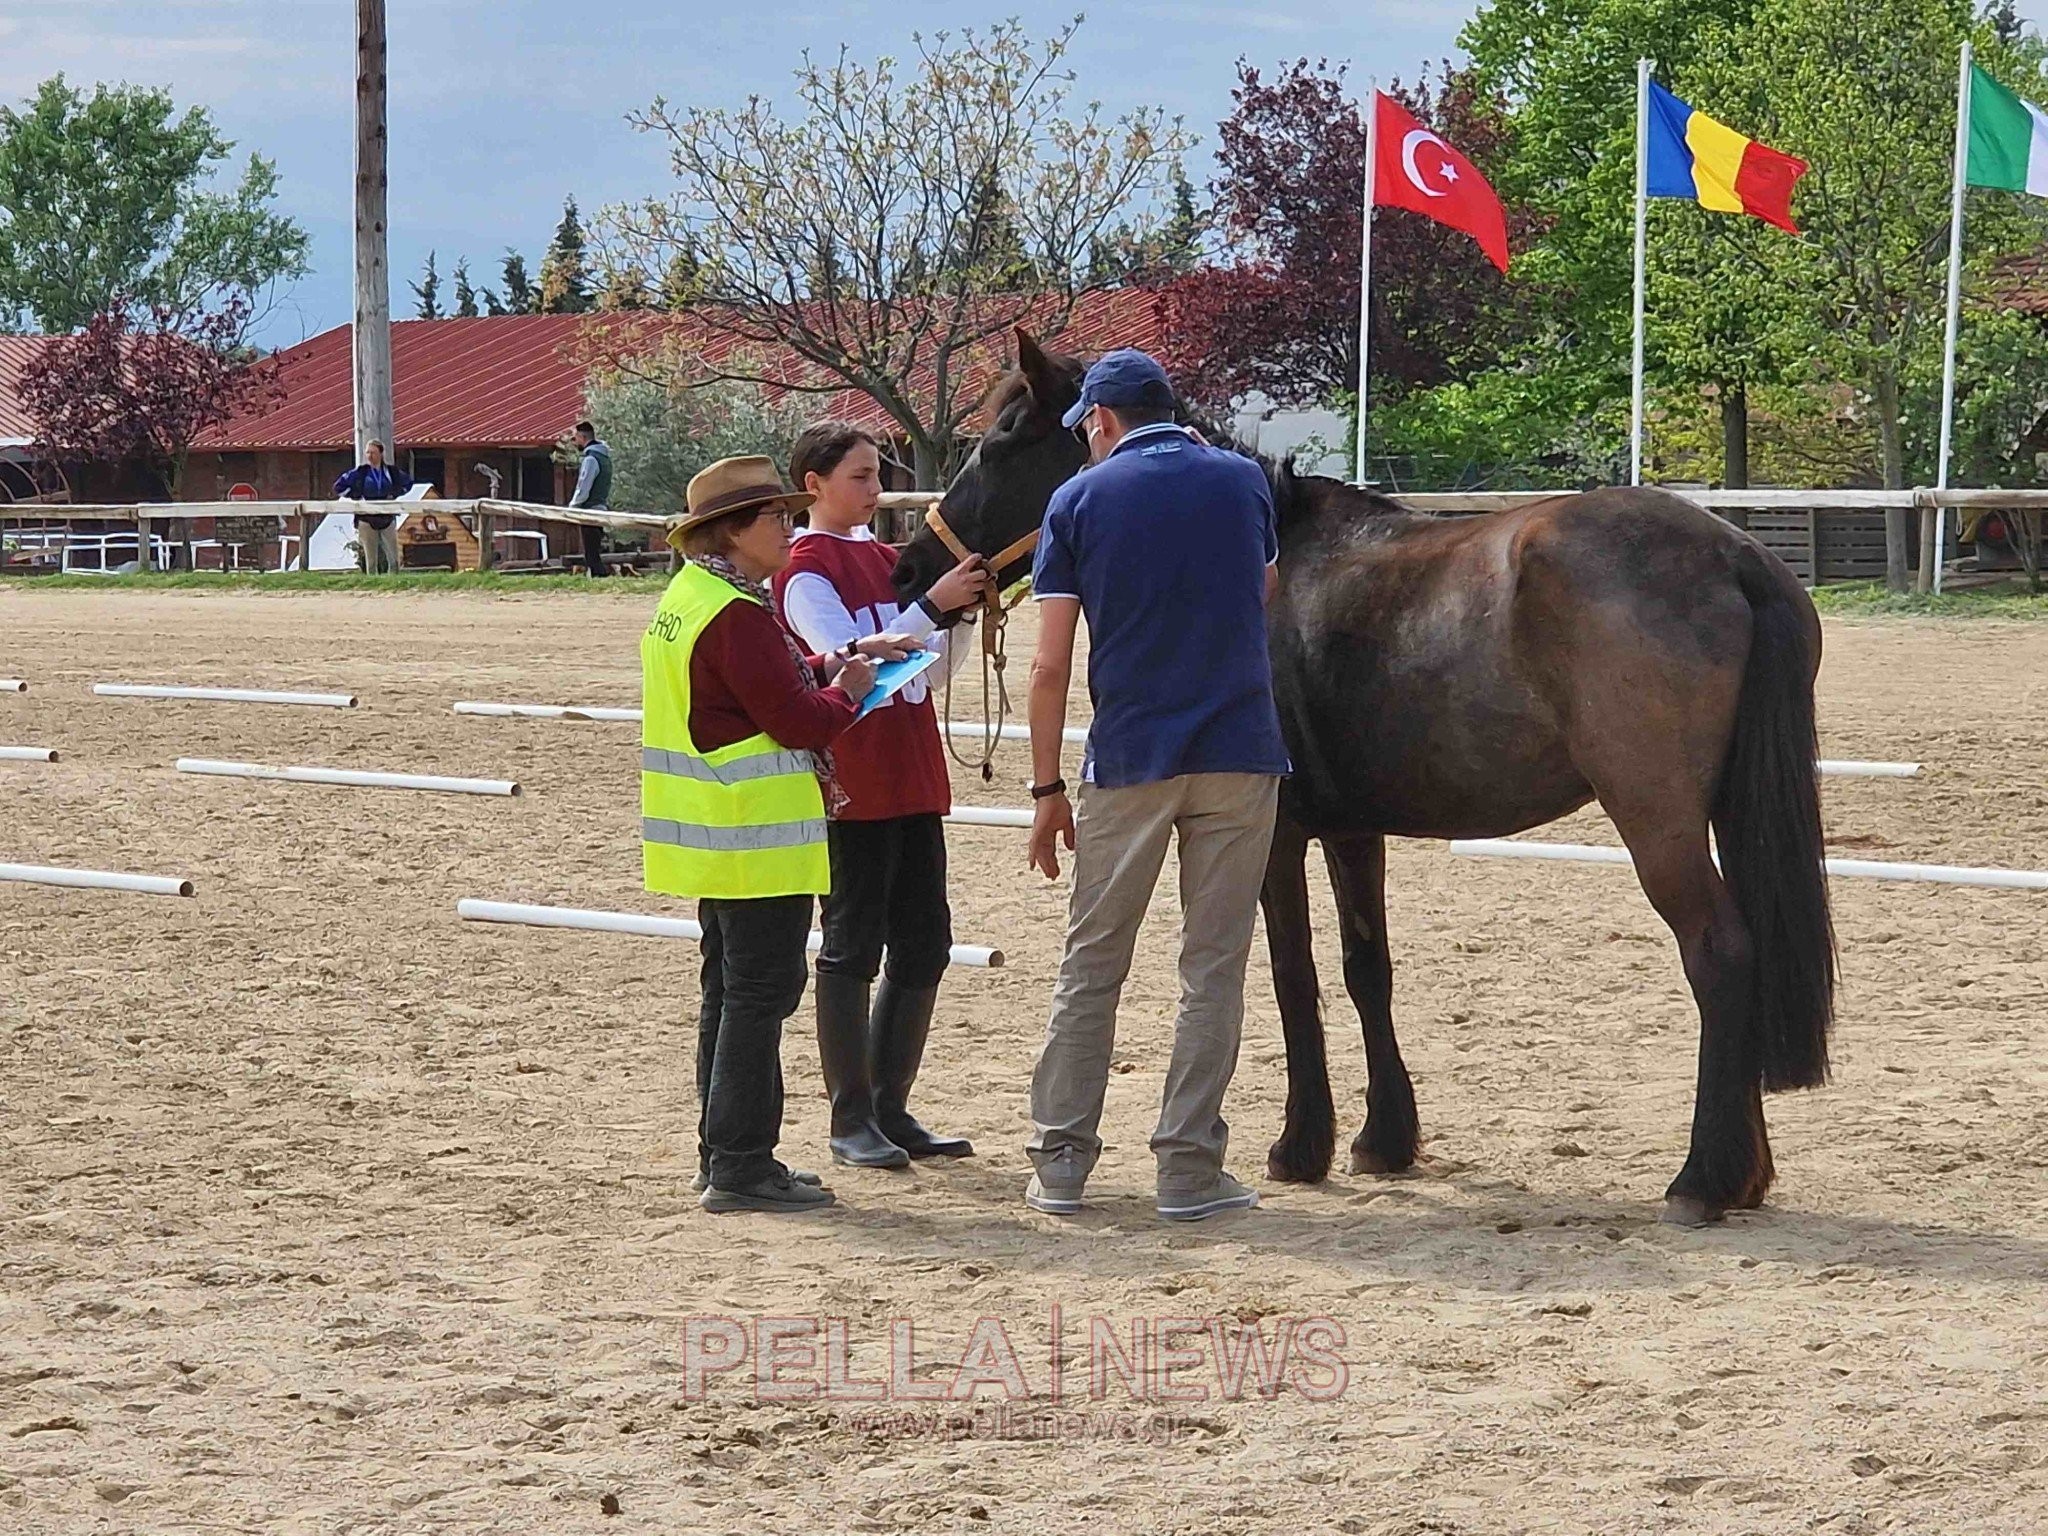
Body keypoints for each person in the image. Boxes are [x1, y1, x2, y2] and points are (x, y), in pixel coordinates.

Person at [1021, 349, 1290, 1223]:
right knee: (1213, 968)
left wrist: (1044, 786)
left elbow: (1051, 663)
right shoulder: (1245, 481)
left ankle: (1062, 1158)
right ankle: (1187, 1165)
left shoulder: (1077, 500)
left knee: (1093, 964)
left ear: (1100, 419)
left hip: (1132, 756)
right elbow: (1263, 594)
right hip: (1240, 748)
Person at [643, 454, 908, 1214]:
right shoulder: (735, 614)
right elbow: (795, 716)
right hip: (756, 834)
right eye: (773, 518)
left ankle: (723, 1152)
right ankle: (741, 1162)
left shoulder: (695, 598)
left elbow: (766, 684)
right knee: (759, 995)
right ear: (730, 530)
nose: (788, 529)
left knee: (728, 992)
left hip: (713, 832)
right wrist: (852, 689)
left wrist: (839, 659)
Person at [771, 422, 993, 1168]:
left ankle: (891, 1106)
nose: (875, 488)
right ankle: (849, 1115)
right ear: (816, 484)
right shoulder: (803, 570)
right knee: (852, 943)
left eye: (877, 475)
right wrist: (933, 605)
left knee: (925, 942)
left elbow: (926, 674)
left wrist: (959, 619)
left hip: (912, 769)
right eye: (861, 476)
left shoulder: (890, 558)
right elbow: (854, 667)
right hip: (852, 776)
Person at [332, 439, 412, 575]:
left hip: (387, 516)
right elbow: (338, 486)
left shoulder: (391, 472)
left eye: (373, 453)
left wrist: (395, 494)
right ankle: (372, 582)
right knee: (371, 558)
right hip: (366, 518)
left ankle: (394, 581)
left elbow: (408, 483)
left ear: (381, 454)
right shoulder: (360, 472)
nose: (370, 456)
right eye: (367, 453)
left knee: (393, 557)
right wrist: (355, 495)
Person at [568, 421, 613, 577]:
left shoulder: (591, 459)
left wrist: (573, 506)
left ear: (582, 436)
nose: (575, 442)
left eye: (576, 438)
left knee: (591, 552)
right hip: (600, 507)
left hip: (590, 509)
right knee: (594, 548)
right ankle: (597, 576)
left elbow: (583, 486)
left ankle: (599, 576)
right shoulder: (605, 458)